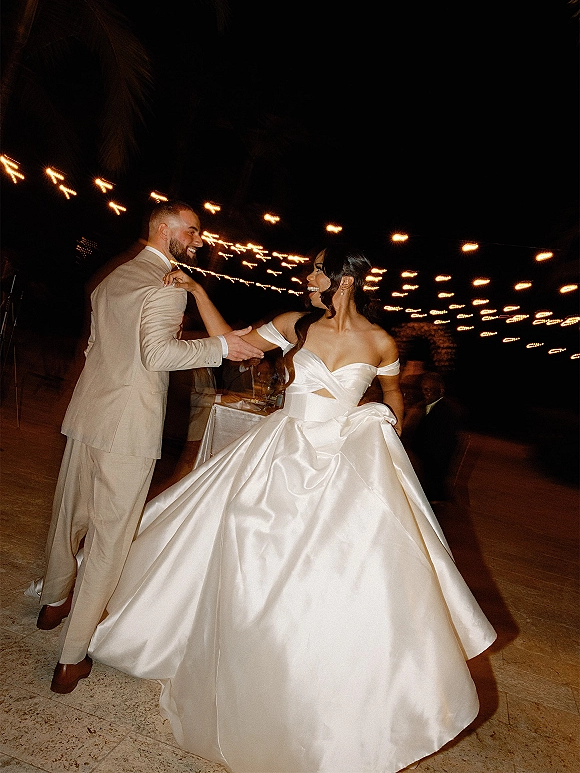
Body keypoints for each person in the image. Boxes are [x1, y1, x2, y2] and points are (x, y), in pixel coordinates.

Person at [89, 244, 496, 773]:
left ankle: (317, 679)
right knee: (246, 537)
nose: (307, 277)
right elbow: (234, 346)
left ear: (343, 281)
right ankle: (232, 653)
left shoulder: (380, 342)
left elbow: (395, 400)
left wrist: (382, 423)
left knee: (338, 569)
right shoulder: (295, 323)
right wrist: (197, 292)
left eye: (316, 271)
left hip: (343, 461)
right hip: (280, 451)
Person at [36, 199, 262, 695]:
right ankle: (71, 658)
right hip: (128, 429)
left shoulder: (113, 278)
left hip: (88, 414)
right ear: (164, 228)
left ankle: (53, 602)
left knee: (68, 514)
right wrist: (222, 347)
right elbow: (158, 354)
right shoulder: (166, 287)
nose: (199, 239)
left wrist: (213, 333)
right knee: (108, 541)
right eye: (193, 230)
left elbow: (98, 349)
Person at [408, 371, 461, 503]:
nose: (425, 392)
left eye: (429, 389)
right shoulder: (423, 407)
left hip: (432, 468)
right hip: (424, 462)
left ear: (441, 391)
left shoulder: (446, 411)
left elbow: (438, 444)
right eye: (423, 389)